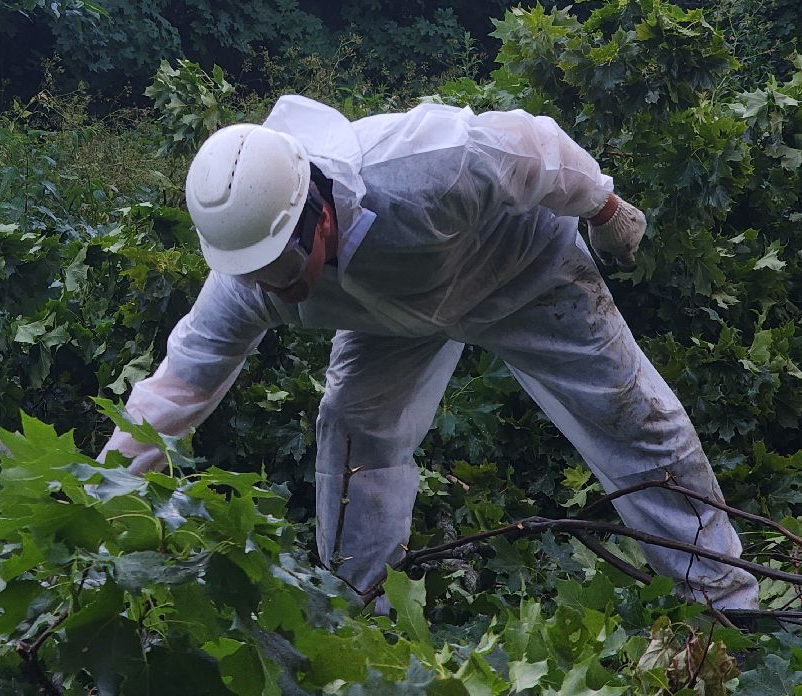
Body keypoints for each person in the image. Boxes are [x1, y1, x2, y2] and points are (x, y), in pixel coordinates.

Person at [101, 94, 759, 610]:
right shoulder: (248, 281)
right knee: (355, 432)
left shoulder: (422, 167)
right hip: (391, 323)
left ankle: (726, 601)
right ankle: (358, 609)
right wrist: (90, 500)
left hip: (521, 268)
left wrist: (605, 208)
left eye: (284, 260)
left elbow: (535, 147)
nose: (273, 283)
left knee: (632, 415)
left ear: (318, 213)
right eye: (256, 270)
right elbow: (175, 390)